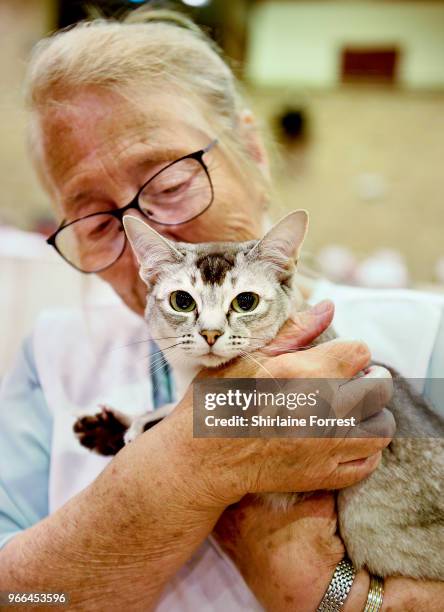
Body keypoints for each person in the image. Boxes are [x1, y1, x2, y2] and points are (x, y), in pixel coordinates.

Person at [0, 8, 443, 611]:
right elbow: (18, 599)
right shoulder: (52, 358)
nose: (147, 232)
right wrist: (183, 466)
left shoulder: (426, 338)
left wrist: (334, 596)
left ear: (253, 152)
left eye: (170, 184)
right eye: (98, 221)